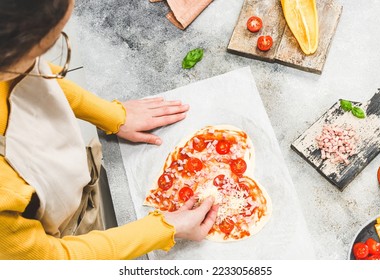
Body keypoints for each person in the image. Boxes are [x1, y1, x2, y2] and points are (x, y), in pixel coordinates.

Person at [0, 0, 218, 259]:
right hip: (58, 235)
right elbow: (54, 262)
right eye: (52, 41)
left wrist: (113, 115)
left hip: (62, 182)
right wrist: (163, 228)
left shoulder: (11, 56)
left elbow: (37, 78)